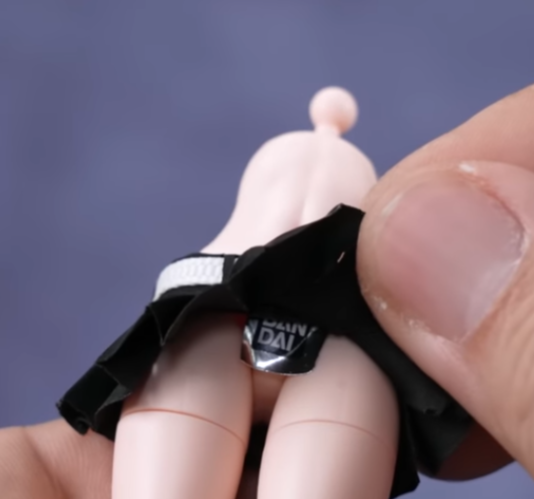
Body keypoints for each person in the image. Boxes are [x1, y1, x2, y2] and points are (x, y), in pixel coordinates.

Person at [1, 84, 533, 499]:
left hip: (216, 322)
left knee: (177, 433)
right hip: (341, 345)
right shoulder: (354, 231)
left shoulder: (217, 272)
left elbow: (176, 286)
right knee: (334, 433)